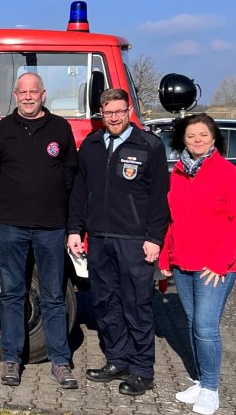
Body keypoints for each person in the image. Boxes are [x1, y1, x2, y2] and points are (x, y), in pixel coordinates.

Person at [67, 88, 169, 396]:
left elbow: (159, 198)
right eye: (108, 112)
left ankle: (141, 370)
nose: (114, 117)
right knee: (105, 304)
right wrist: (75, 229)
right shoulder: (92, 145)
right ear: (101, 113)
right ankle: (117, 360)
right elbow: (79, 192)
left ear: (128, 112)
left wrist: (154, 238)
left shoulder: (149, 145)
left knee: (136, 305)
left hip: (135, 240)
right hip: (99, 239)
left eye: (120, 112)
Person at [0, 72, 79, 389]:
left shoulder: (60, 129)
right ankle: (11, 359)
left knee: (53, 296)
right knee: (12, 294)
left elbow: (70, 174)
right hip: (11, 226)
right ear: (15, 95)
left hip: (51, 227)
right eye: (22, 92)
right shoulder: (1, 131)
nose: (28, 97)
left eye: (33, 91)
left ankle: (60, 362)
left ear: (43, 94)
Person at [157, 114, 236, 415]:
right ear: (182, 140)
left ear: (214, 138)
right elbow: (173, 220)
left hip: (214, 267)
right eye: (191, 136)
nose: (197, 140)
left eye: (203, 135)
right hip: (183, 264)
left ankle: (211, 389)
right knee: (194, 324)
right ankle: (199, 379)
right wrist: (165, 256)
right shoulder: (179, 173)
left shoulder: (229, 173)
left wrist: (221, 262)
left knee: (206, 328)